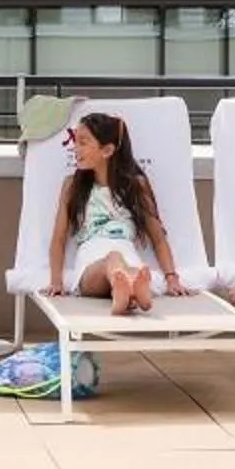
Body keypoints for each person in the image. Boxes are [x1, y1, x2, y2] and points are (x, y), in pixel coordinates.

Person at [47, 109, 186, 315]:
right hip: (91, 262)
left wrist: (172, 278)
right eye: (76, 141)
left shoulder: (135, 185)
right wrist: (56, 282)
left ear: (107, 150)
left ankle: (126, 292)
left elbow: (158, 237)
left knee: (126, 264)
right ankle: (131, 291)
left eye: (83, 143)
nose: (76, 149)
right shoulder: (72, 185)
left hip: (128, 253)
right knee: (113, 259)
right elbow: (58, 239)